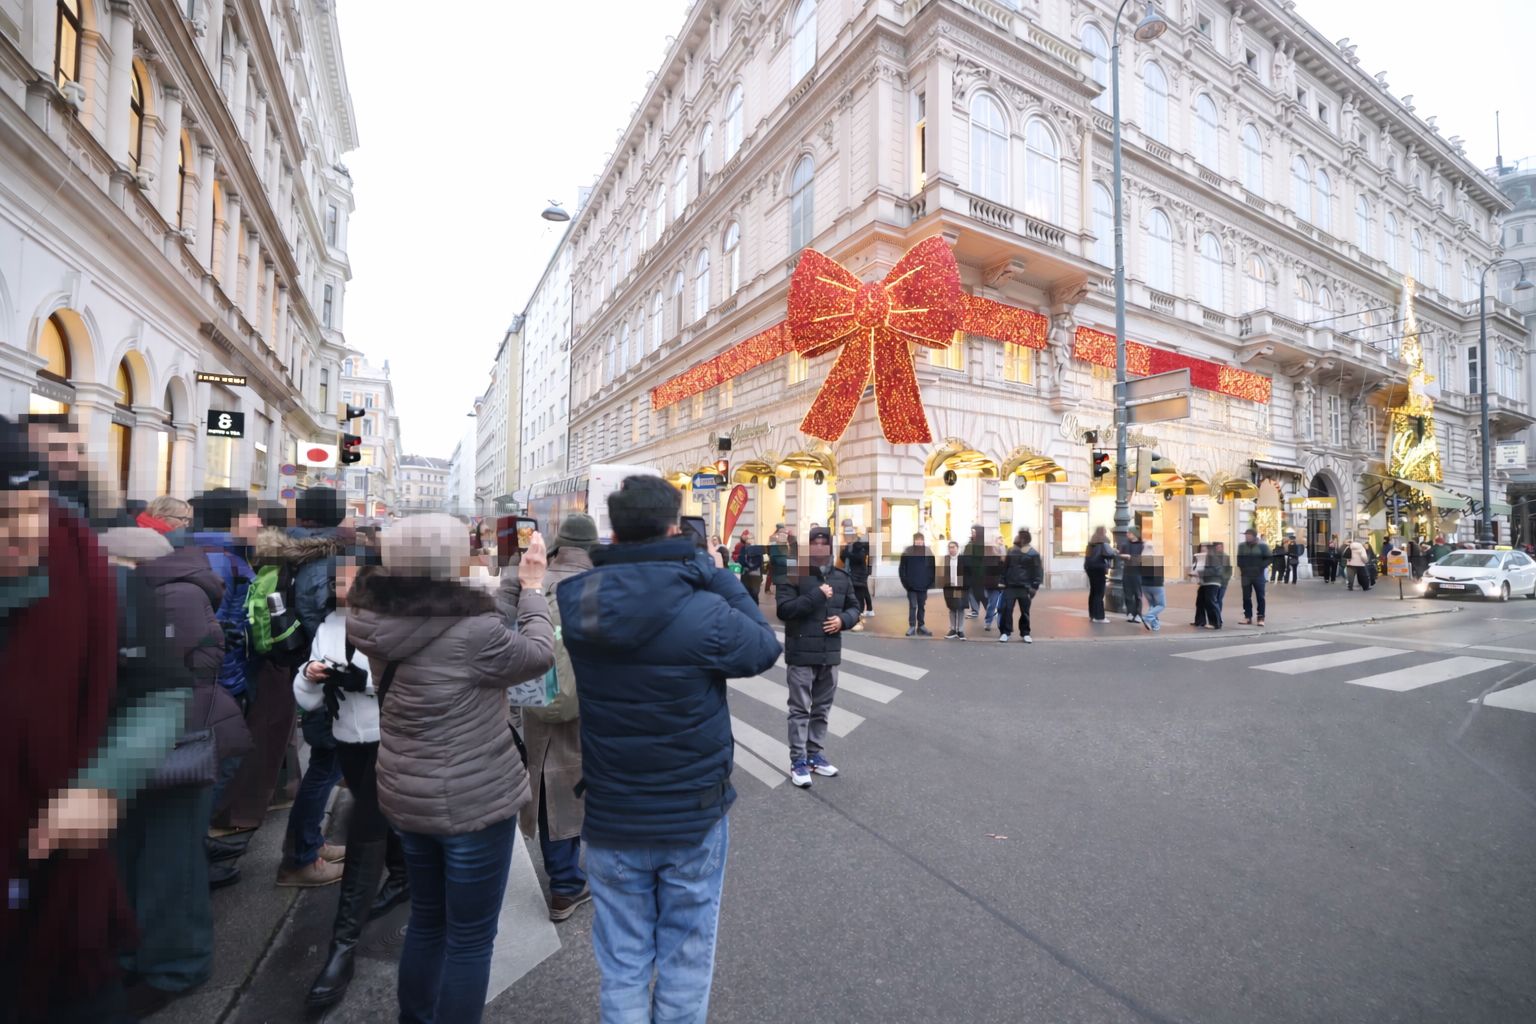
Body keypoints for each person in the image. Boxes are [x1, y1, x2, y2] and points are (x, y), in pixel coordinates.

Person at [557, 475, 780, 1022]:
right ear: (675, 527)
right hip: (692, 813)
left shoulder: (578, 600)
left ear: (617, 530)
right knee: (685, 958)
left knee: (624, 963)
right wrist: (713, 572)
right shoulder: (702, 607)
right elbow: (763, 646)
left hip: (611, 811)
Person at [0, 418, 186, 1020]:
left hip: (58, 898)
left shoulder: (96, 576)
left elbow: (159, 689)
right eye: (2, 516)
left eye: (31, 509)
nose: (23, 533)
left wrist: (104, 782)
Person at [348, 513, 555, 1023]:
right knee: (469, 940)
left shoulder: (372, 618)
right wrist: (532, 591)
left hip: (405, 794)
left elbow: (466, 621)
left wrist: (509, 580)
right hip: (474, 800)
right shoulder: (474, 633)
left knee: (427, 921)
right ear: (449, 563)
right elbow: (536, 654)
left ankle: (415, 1018)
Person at [113, 523, 251, 1017]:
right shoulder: (175, 589)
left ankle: (175, 965)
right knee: (145, 855)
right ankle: (144, 953)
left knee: (168, 859)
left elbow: (191, 670)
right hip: (163, 740)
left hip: (178, 742)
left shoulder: (170, 596)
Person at [295, 547, 388, 1009]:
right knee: (384, 821)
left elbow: (410, 679)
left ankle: (342, 948)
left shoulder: (395, 615)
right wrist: (312, 676)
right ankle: (406, 878)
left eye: (350, 578)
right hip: (346, 741)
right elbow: (307, 697)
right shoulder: (330, 625)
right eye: (337, 580)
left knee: (366, 831)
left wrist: (363, 682)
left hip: (387, 743)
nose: (341, 587)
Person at [498, 513, 599, 923]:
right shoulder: (603, 585)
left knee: (546, 780)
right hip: (591, 703)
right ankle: (572, 881)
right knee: (584, 782)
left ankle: (563, 881)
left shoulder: (529, 580)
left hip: (534, 694)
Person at [778, 525, 861, 787]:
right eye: (815, 543)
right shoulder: (794, 573)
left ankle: (815, 755)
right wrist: (816, 595)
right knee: (800, 710)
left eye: (824, 544)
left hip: (830, 654)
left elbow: (855, 607)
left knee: (822, 710)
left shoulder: (841, 576)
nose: (819, 548)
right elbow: (784, 609)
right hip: (801, 653)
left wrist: (843, 620)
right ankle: (798, 761)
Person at [998, 528, 1044, 643]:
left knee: (1025, 611)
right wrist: (1002, 581)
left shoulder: (1033, 553)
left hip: (1025, 587)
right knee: (1007, 610)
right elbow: (1005, 567)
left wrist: (1035, 586)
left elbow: (1038, 571)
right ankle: (1005, 632)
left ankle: (1025, 632)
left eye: (1020, 536)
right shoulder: (1011, 551)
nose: (1018, 538)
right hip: (1011, 586)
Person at [898, 531, 936, 636]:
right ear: (914, 540)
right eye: (917, 540)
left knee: (921, 606)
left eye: (921, 540)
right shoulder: (908, 552)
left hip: (924, 586)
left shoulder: (928, 552)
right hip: (911, 586)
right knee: (913, 606)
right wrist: (906, 583)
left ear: (923, 541)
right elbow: (902, 569)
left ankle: (921, 626)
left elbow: (932, 569)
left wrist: (930, 582)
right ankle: (912, 626)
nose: (919, 542)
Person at [1236, 528, 1270, 626]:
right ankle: (1247, 616)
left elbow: (1268, 558)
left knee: (1260, 596)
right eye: (1246, 535)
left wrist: (1260, 567)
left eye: (1249, 535)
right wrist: (1243, 569)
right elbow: (1239, 559)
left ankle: (1261, 617)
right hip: (1246, 576)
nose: (1247, 537)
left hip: (1258, 575)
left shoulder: (1262, 546)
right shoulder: (1242, 546)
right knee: (1246, 597)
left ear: (1254, 536)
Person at [840, 525, 873, 623]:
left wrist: (848, 555)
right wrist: (845, 553)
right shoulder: (847, 545)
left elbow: (860, 557)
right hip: (849, 574)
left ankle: (860, 614)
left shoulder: (859, 544)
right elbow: (842, 557)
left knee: (859, 595)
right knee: (852, 595)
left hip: (859, 575)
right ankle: (856, 613)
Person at [1084, 526, 1115, 623]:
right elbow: (1110, 554)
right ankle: (1099, 617)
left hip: (1090, 569)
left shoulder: (1090, 543)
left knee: (1093, 592)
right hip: (1099, 569)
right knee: (1099, 593)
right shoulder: (1103, 543)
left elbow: (1088, 557)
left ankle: (1092, 614)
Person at [941, 540, 968, 639]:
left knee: (960, 608)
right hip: (949, 587)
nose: (951, 549)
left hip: (960, 586)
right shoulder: (946, 559)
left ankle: (960, 630)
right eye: (950, 547)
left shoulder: (963, 559)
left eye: (953, 547)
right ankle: (953, 629)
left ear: (957, 548)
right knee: (952, 608)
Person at [1117, 528, 1145, 623]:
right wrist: (1121, 555)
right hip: (1127, 572)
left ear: (1135, 534)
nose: (1127, 534)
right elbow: (1120, 555)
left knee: (1138, 595)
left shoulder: (1142, 545)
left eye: (1129, 533)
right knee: (1128, 594)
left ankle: (1138, 614)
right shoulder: (1125, 544)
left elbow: (1145, 559)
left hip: (1138, 573)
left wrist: (1130, 557)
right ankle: (1130, 613)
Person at [1139, 542, 1167, 631]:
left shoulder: (1140, 560)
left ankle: (1155, 625)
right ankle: (1148, 617)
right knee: (1161, 605)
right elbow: (1159, 574)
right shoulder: (1156, 559)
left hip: (1144, 586)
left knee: (1152, 605)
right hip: (1156, 585)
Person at [737, 529, 765, 604]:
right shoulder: (743, 548)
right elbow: (740, 559)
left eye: (750, 538)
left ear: (753, 539)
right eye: (747, 538)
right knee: (746, 593)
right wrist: (744, 563)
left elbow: (760, 562)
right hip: (745, 575)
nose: (748, 540)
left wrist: (761, 576)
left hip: (755, 575)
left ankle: (755, 610)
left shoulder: (758, 548)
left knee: (754, 594)